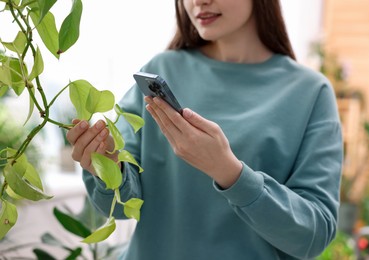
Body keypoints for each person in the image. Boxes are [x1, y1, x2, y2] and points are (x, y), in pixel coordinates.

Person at [66, 0, 343, 259]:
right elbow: (120, 203)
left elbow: (314, 236)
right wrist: (106, 164)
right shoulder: (160, 69)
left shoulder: (310, 92)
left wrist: (229, 172)